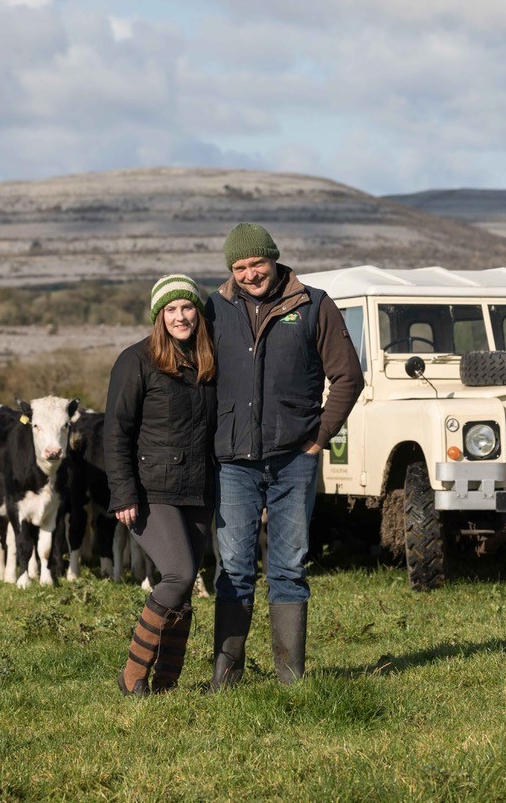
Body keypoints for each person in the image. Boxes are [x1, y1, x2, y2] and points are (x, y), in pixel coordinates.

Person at [206, 222, 365, 686]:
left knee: (288, 567)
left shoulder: (313, 305)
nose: (250, 274)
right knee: (233, 568)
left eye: (257, 263)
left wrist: (319, 437)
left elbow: (348, 377)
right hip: (233, 461)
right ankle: (225, 679)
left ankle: (290, 680)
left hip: (295, 458)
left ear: (274, 258)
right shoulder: (213, 309)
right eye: (240, 267)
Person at [105, 274, 217, 696]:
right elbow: (116, 432)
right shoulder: (136, 360)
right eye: (170, 310)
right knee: (179, 573)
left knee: (185, 586)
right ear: (158, 316)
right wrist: (123, 492)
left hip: (199, 488)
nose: (180, 316)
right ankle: (133, 675)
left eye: (186, 307)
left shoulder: (207, 361)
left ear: (197, 312)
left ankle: (167, 681)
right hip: (152, 490)